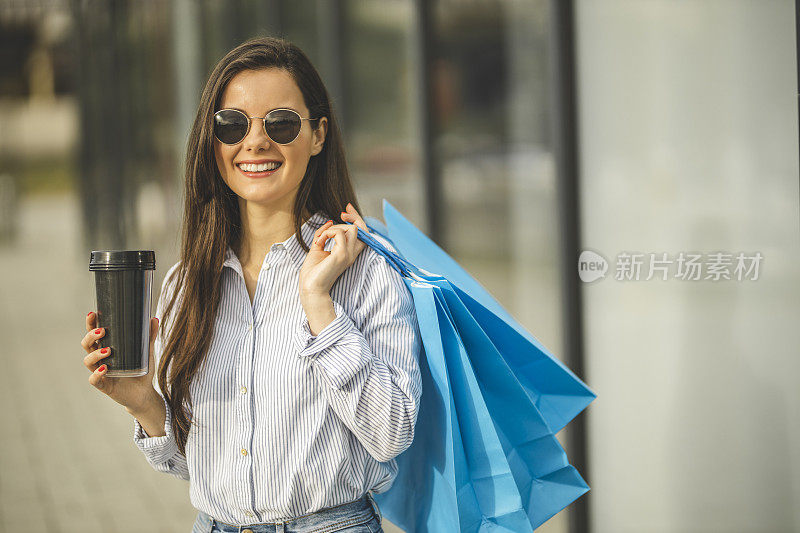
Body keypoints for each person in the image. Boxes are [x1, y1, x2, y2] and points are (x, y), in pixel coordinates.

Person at [79, 36, 422, 533]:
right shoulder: (187, 282)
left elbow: (391, 432)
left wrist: (318, 303)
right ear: (212, 140)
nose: (255, 142)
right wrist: (142, 401)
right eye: (232, 124)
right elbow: (191, 465)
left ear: (318, 135)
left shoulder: (366, 273)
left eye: (281, 123)